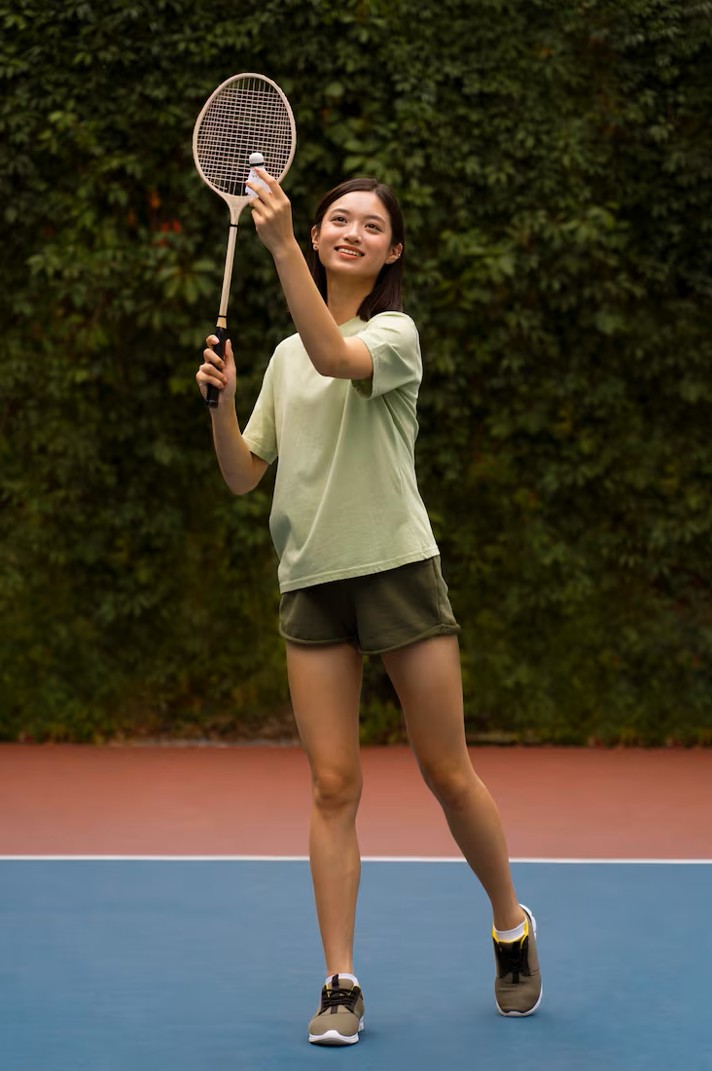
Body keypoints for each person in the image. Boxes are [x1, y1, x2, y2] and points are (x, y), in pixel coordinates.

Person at [196, 171, 542, 1046]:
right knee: (332, 784)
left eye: (372, 225)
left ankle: (510, 923)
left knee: (447, 772)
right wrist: (225, 406)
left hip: (396, 568)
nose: (352, 231)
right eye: (337, 220)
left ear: (392, 251)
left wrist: (275, 248)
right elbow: (244, 475)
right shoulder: (278, 357)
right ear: (318, 235)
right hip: (310, 580)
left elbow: (334, 357)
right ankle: (341, 981)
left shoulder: (395, 334)